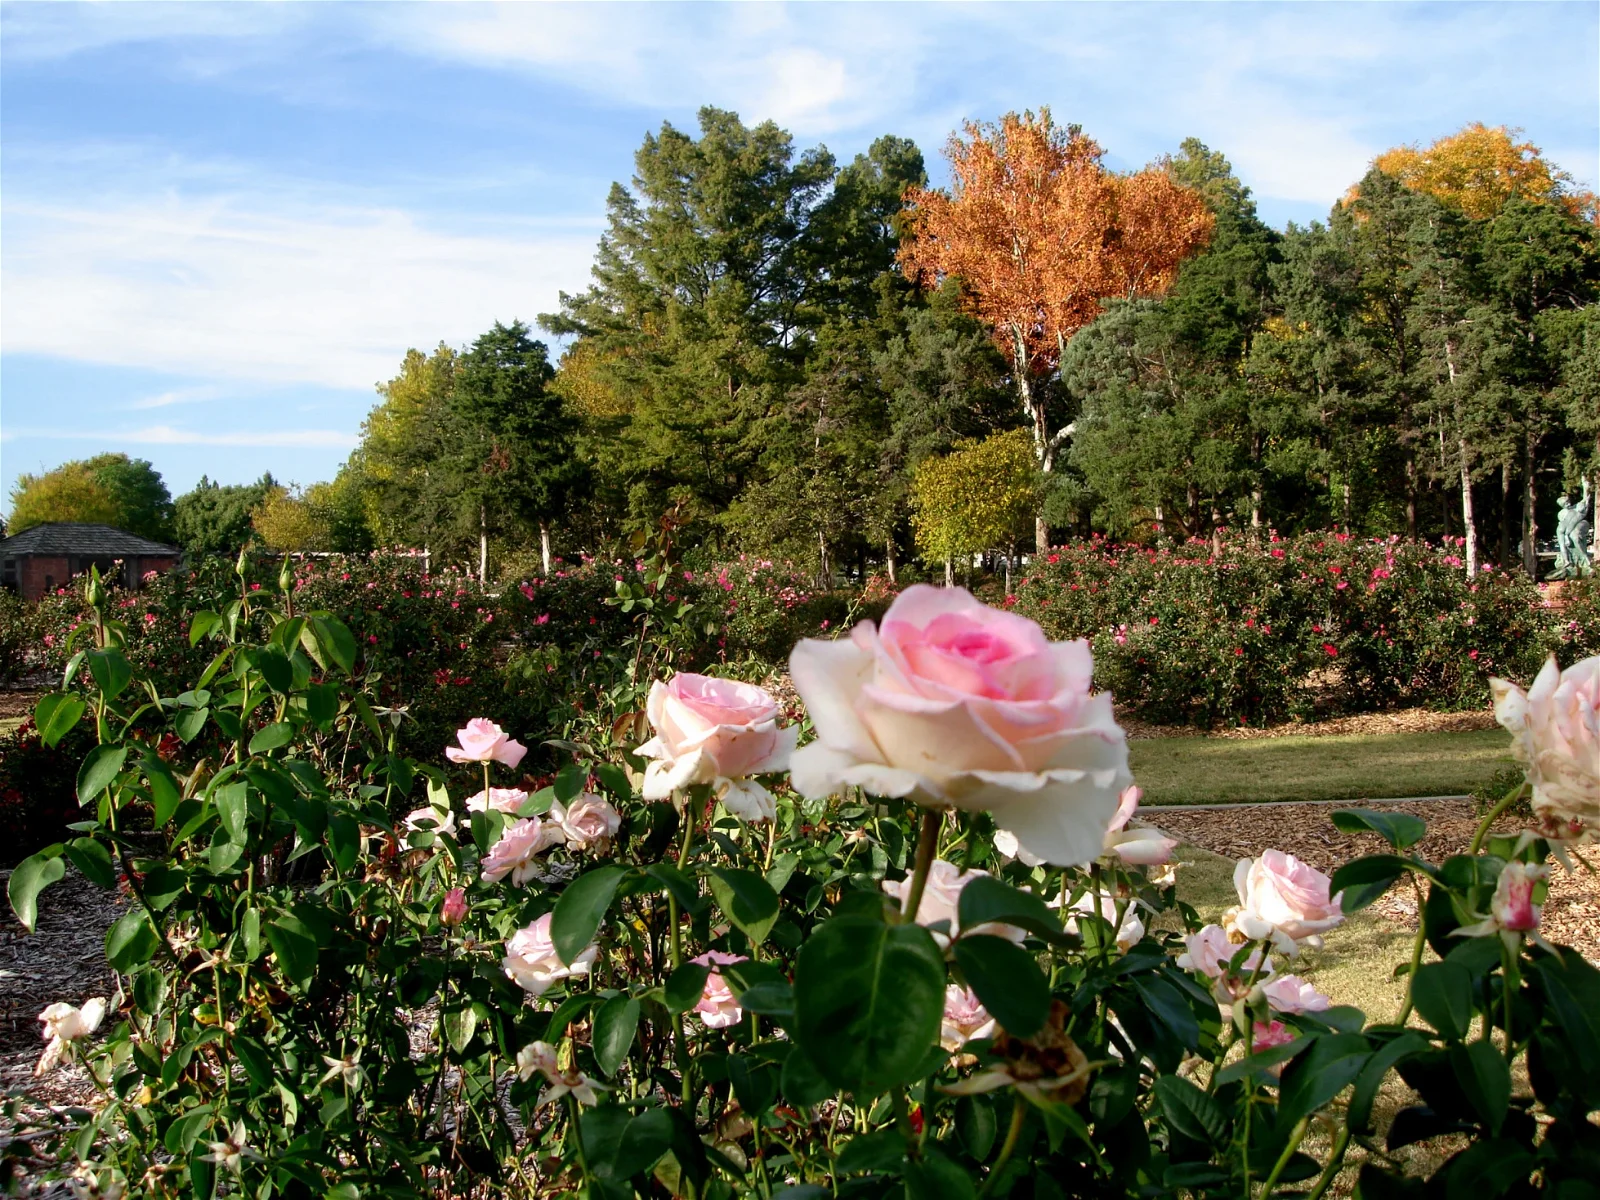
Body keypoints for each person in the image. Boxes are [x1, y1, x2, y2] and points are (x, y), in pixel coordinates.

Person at [1548, 478, 1593, 580]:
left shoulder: (1577, 507)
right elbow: (1564, 527)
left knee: (1575, 535)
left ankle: (1585, 559)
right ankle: (1567, 561)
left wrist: (1585, 487)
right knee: (1567, 538)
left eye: (1568, 502)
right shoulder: (1562, 514)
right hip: (1567, 530)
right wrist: (1566, 536)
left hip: (1581, 524)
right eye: (1565, 504)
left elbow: (1585, 500)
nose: (1568, 504)